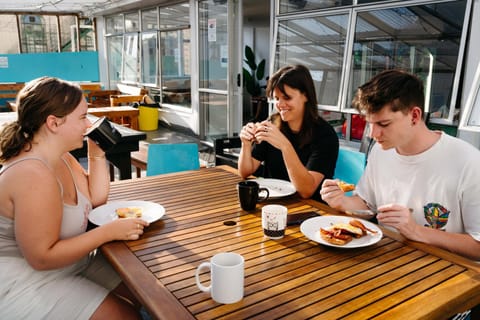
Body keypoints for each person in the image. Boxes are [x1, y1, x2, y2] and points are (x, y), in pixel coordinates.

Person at [0, 77, 149, 319]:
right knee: (127, 316)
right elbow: (41, 258)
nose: (87, 124)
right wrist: (108, 232)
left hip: (72, 262)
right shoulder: (31, 174)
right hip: (24, 280)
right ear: (53, 123)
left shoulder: (61, 156)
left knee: (142, 291)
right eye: (82, 117)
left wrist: (96, 155)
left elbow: (96, 199)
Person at [320, 69, 480, 261]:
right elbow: (367, 203)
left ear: (414, 116)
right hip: (386, 260)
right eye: (370, 123)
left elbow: (477, 246)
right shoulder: (381, 151)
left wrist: (416, 231)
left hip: (445, 275)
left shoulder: (469, 162)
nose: (373, 134)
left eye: (384, 124)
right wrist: (342, 202)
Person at [238, 64, 339, 201]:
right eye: (277, 98)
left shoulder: (325, 135)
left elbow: (306, 191)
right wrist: (246, 144)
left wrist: (285, 146)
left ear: (306, 96)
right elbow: (245, 172)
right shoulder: (273, 124)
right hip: (271, 203)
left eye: (287, 98)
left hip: (309, 209)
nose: (280, 104)